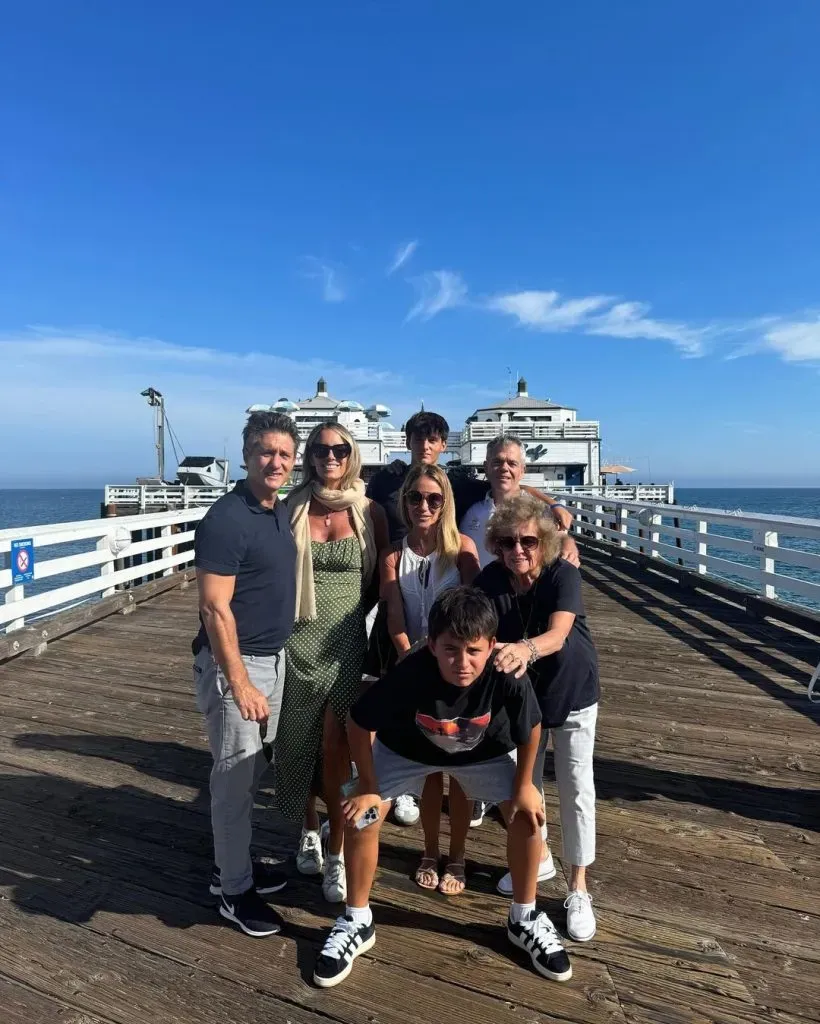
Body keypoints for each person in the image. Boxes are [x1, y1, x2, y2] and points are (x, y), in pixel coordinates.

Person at [312, 587, 572, 989]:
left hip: (483, 753)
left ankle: (524, 917)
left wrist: (524, 786)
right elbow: (360, 722)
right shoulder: (412, 670)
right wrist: (367, 784)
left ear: (491, 645)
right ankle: (357, 920)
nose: (462, 663)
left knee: (529, 815)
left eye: (473, 651)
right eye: (450, 649)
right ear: (432, 645)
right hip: (406, 750)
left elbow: (532, 725)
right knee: (361, 815)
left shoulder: (506, 671)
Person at [192, 410, 299, 938]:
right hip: (237, 663)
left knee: (253, 770)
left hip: (272, 658)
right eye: (265, 452)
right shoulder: (226, 518)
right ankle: (234, 893)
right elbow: (214, 608)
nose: (274, 461)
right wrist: (238, 682)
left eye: (283, 453)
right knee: (234, 780)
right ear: (247, 455)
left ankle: (230, 870)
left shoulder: (275, 509)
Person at [477, 492, 600, 943]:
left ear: (544, 541)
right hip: (522, 695)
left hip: (572, 689)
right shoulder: (491, 579)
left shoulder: (563, 574)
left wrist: (524, 650)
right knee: (524, 783)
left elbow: (560, 632)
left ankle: (579, 887)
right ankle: (538, 856)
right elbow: (477, 630)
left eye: (528, 541)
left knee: (576, 785)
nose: (518, 551)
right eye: (507, 542)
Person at [276, 421, 388, 905]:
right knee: (295, 740)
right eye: (321, 449)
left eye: (340, 449)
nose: (330, 456)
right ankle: (308, 828)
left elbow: (380, 580)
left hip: (343, 644)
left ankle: (338, 852)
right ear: (310, 456)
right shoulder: (291, 507)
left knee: (338, 747)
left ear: (352, 454)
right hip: (294, 640)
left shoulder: (369, 511)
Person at [380, 464, 480, 893]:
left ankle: (456, 856)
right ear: (404, 503)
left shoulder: (463, 550)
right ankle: (428, 850)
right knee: (427, 769)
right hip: (414, 669)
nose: (424, 506)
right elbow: (395, 614)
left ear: (445, 504)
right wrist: (408, 655)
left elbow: (475, 614)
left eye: (434, 499)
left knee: (458, 770)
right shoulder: (392, 555)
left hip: (457, 673)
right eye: (416, 498)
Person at [460, 434, 578, 570]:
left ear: (522, 470)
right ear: (486, 467)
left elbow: (561, 538)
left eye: (512, 463)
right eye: (497, 462)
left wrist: (569, 544)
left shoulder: (541, 512)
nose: (504, 468)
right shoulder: (471, 510)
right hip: (479, 589)